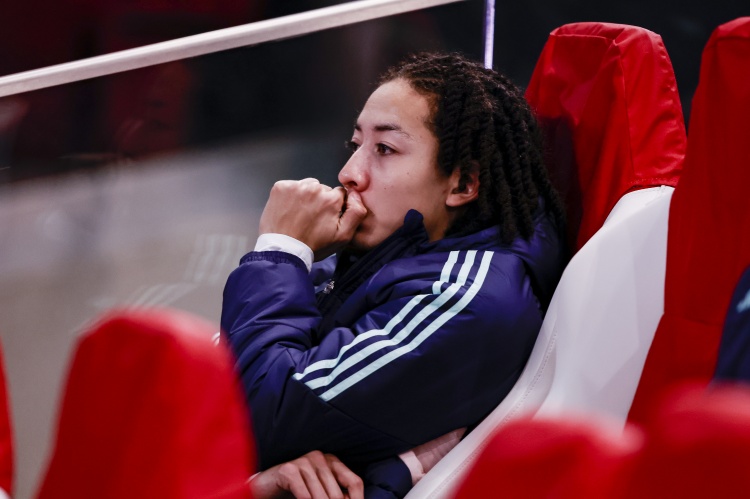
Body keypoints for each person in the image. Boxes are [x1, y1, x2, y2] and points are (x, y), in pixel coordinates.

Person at [221, 52, 568, 498]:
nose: (349, 173)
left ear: (463, 184)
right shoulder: (390, 251)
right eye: (356, 145)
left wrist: (282, 249)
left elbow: (257, 418)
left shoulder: (462, 296)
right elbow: (229, 385)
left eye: (384, 149)